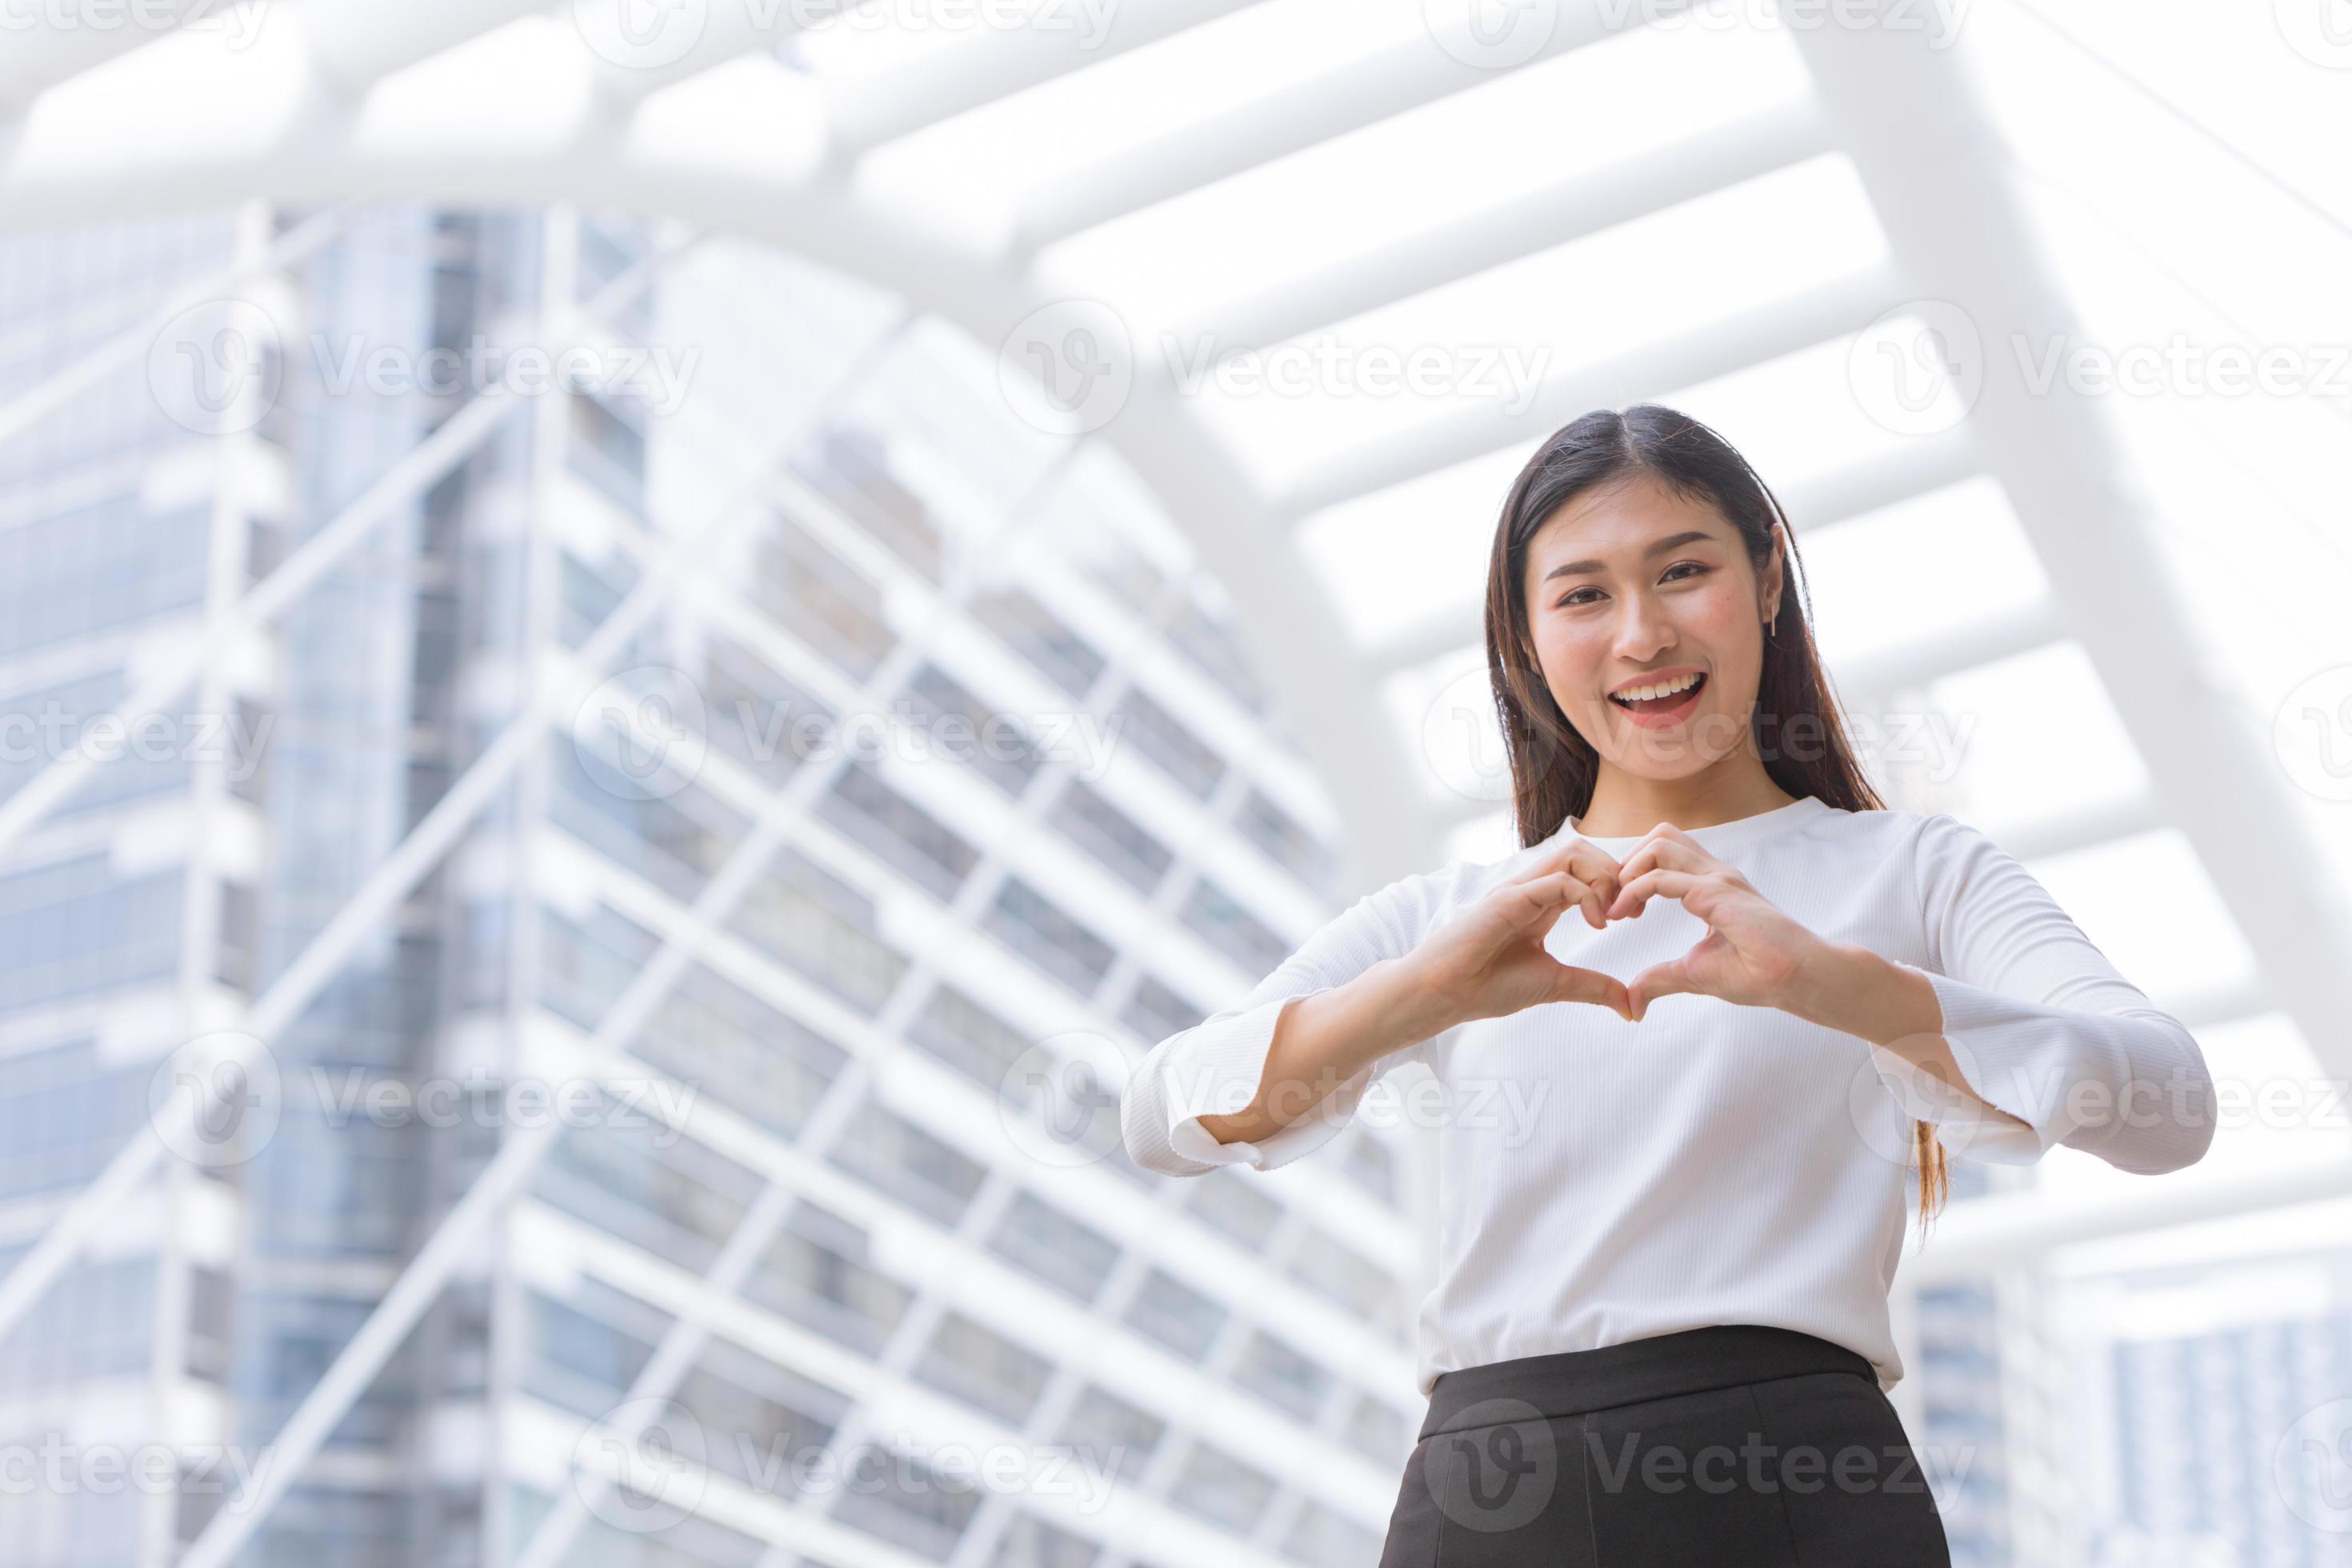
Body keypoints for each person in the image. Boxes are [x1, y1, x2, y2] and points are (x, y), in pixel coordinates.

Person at [1118, 404, 2217, 1566]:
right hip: (1496, 1493)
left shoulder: (1914, 871)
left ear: (1768, 578)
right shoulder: (1450, 920)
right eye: (1584, 595)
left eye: (1683, 572)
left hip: (1798, 1475)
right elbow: (1161, 1114)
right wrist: (1429, 993)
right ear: (1527, 638)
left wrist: (1840, 988)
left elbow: (2171, 1110)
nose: (1641, 634)